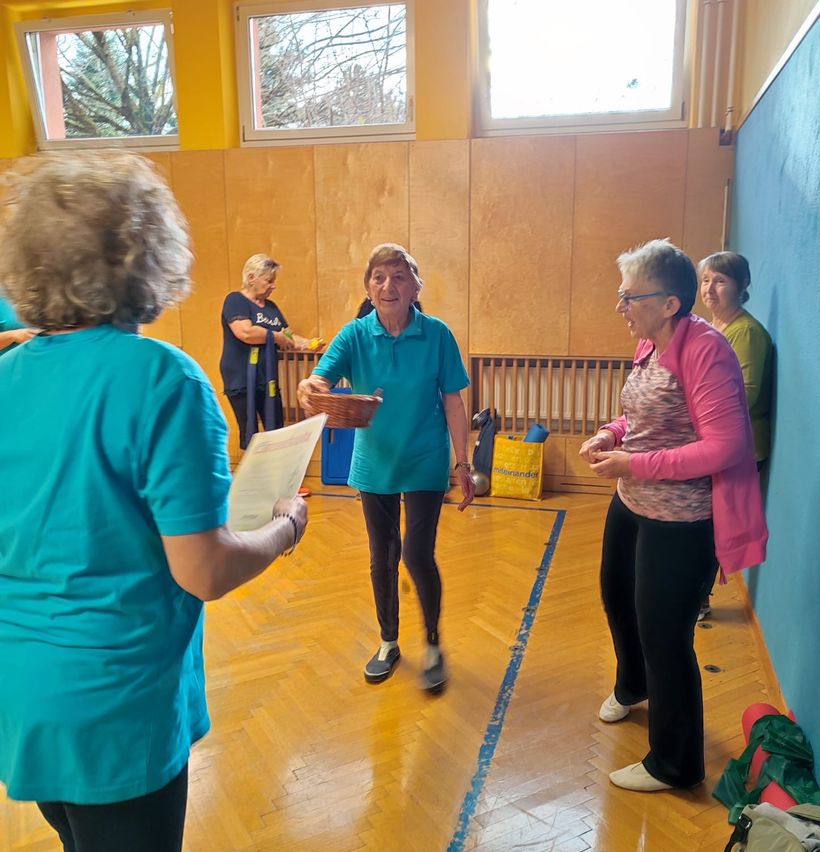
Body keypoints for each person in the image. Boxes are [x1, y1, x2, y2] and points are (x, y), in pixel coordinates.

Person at [0, 151, 308, 852]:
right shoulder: (165, 380)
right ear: (148, 254)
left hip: (21, 695)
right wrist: (286, 526)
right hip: (115, 702)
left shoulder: (6, 375)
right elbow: (203, 569)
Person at [578, 238, 767, 793]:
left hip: (682, 520)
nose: (621, 307)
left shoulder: (706, 349)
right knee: (618, 597)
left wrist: (634, 462)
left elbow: (726, 445)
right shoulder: (650, 343)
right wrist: (612, 432)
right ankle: (632, 686)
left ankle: (676, 763)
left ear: (669, 302)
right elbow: (640, 411)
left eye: (630, 297)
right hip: (634, 502)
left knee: (665, 633)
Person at [298, 243, 475, 693]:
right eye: (379, 276)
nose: (388, 285)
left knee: (417, 554)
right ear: (368, 286)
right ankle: (388, 640)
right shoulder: (354, 334)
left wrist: (464, 463)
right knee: (383, 558)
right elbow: (322, 377)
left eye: (398, 276)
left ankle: (434, 645)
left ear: (416, 288)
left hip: (425, 459)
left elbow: (454, 403)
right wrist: (311, 386)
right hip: (373, 462)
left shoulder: (437, 335)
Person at [697, 251, 773, 619]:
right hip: (713, 443)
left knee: (712, 523)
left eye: (720, 281)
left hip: (738, 448)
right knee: (704, 519)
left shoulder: (747, 332)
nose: (710, 289)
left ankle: (699, 599)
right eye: (706, 280)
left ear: (741, 288)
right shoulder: (715, 327)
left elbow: (746, 393)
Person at [220, 254, 323, 449]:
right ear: (251, 278)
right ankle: (253, 475)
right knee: (250, 433)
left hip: (267, 379)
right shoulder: (235, 300)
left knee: (275, 429)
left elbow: (288, 336)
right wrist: (275, 337)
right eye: (269, 280)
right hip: (241, 378)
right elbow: (245, 332)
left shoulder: (271, 307)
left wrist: (308, 343)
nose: (273, 286)